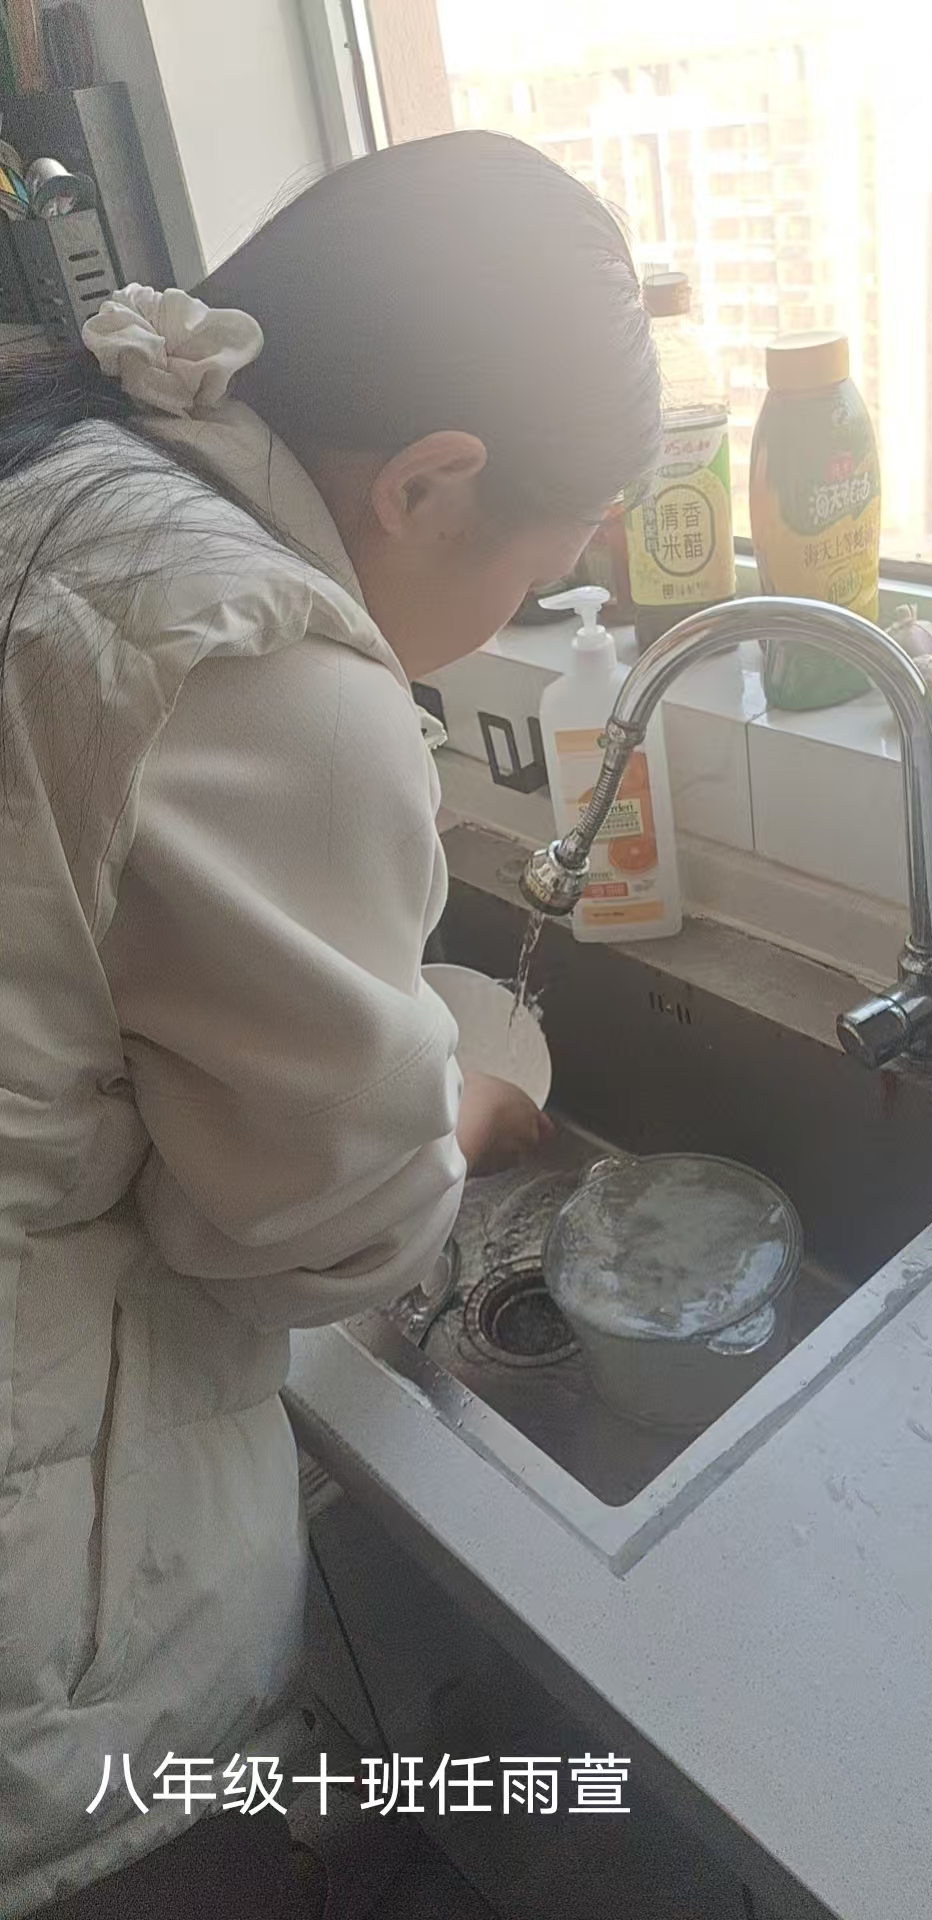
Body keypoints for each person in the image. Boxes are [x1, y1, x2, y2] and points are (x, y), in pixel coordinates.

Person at [0, 131, 661, 1917]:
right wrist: (461, 1110)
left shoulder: (69, 471)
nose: (500, 621)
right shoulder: (256, 661)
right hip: (48, 1682)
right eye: (535, 567)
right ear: (434, 482)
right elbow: (306, 1242)